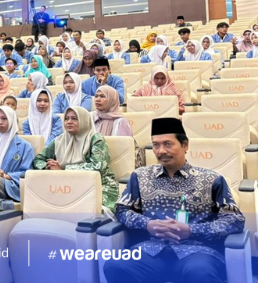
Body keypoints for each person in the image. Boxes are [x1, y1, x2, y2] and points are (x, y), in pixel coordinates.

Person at [103, 118, 245, 283]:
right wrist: (147, 224)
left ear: (185, 145)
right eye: (156, 145)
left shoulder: (211, 179)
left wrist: (191, 230)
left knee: (199, 272)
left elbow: (235, 220)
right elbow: (121, 209)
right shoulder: (140, 177)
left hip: (197, 250)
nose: (161, 151)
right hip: (150, 249)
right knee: (115, 265)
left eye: (168, 144)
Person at [33, 106, 118, 214]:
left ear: (84, 120)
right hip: (64, 184)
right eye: (66, 118)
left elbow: (97, 166)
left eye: (74, 118)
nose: (69, 122)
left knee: (82, 209)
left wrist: (64, 169)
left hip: (97, 185)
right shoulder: (59, 140)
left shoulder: (96, 139)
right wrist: (48, 166)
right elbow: (38, 159)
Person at [0, 106, 34, 209]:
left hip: (11, 186)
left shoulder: (25, 146)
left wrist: (7, 176)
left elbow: (27, 173)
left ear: (12, 120)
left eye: (4, 118)